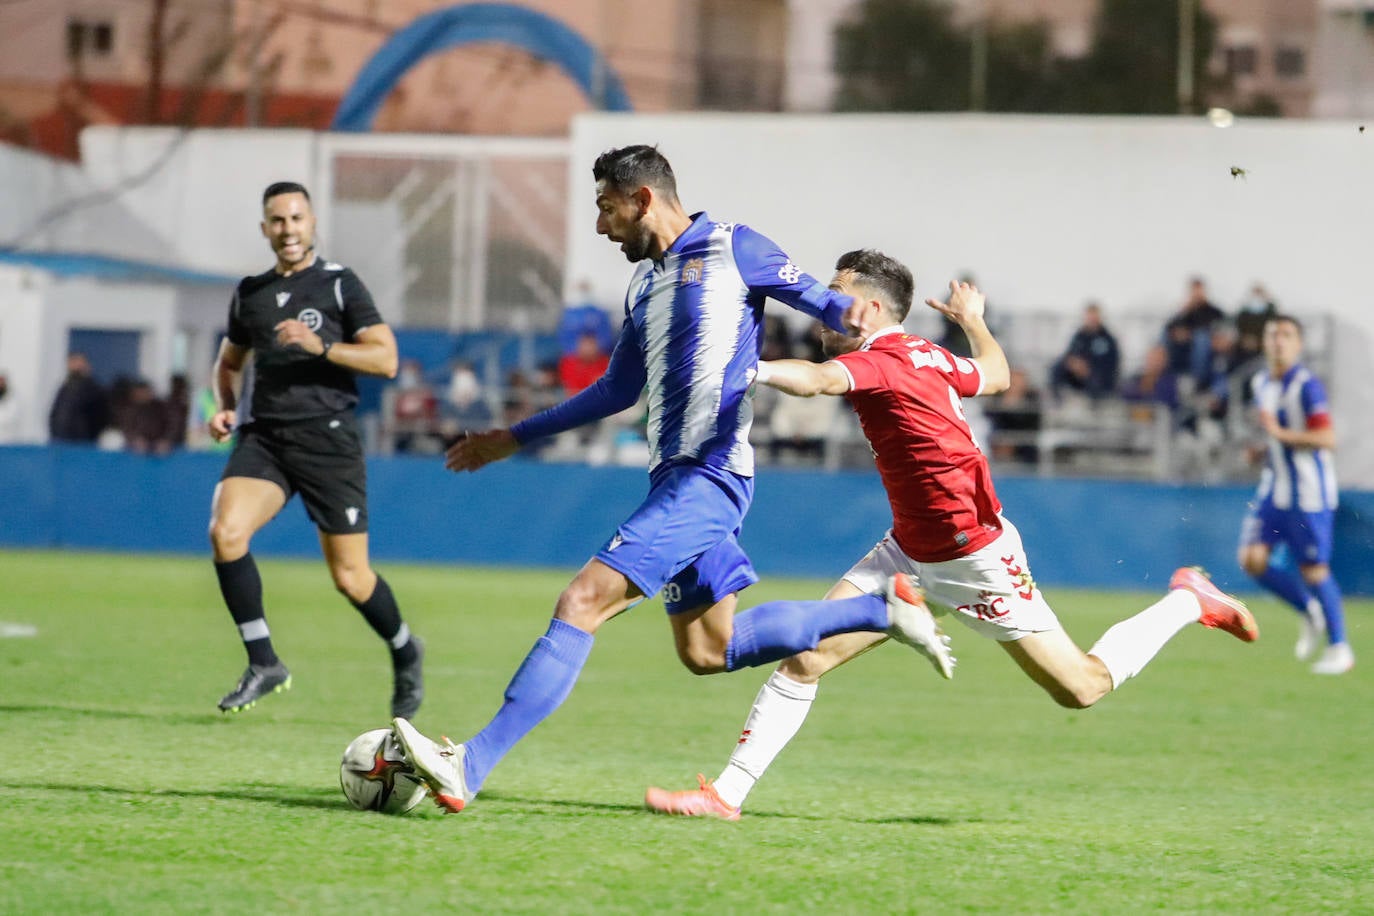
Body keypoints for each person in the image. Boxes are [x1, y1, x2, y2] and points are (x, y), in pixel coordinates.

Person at [387, 145, 950, 814]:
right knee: (709, 649)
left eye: (606, 208)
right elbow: (615, 389)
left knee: (581, 603)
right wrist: (516, 435)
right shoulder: (645, 285)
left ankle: (469, 765)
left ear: (644, 199)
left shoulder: (732, 246)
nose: (601, 226)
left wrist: (847, 315)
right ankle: (882, 610)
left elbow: (820, 301)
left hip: (709, 479)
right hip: (672, 482)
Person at [642, 249, 1258, 820]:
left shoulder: (880, 363)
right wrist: (974, 321)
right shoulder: (924, 354)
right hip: (907, 551)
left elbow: (817, 380)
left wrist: (749, 368)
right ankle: (726, 795)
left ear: (871, 308)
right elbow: (994, 374)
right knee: (805, 657)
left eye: (836, 294)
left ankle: (1187, 600)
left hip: (974, 557)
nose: (822, 306)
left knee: (1082, 687)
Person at [206, 180, 425, 717]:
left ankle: (404, 649)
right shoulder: (250, 293)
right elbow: (230, 361)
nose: (288, 230)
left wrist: (321, 345)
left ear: (312, 223)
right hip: (266, 438)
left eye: (296, 219)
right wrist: (226, 406)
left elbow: (387, 359)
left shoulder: (338, 285)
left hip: (328, 439)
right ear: (265, 229)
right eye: (277, 221)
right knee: (225, 532)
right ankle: (264, 661)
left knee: (351, 578)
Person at [1238, 315, 1352, 675]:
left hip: (1309, 493)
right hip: (1276, 489)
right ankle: (1308, 609)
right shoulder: (1261, 382)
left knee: (1314, 569)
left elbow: (1327, 439)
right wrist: (1263, 449)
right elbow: (1276, 436)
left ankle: (1340, 648)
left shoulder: (1307, 386)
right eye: (1272, 335)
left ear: (1298, 344)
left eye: (1286, 335)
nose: (1278, 341)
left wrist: (1281, 434)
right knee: (1252, 560)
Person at [1049, 302, 1120, 400]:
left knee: (1096, 380)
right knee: (1058, 366)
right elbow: (1069, 355)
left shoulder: (1108, 339)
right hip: (1078, 378)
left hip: (1099, 380)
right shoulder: (1079, 336)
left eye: (1094, 316)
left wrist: (1088, 370)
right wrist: (1075, 364)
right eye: (1089, 317)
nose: (1092, 320)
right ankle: (1056, 400)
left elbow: (1111, 365)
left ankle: (1094, 406)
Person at [48, 352, 109, 443]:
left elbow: (99, 415)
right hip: (61, 439)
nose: (74, 365)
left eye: (77, 362)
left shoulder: (92, 388)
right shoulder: (66, 387)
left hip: (82, 440)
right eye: (72, 362)